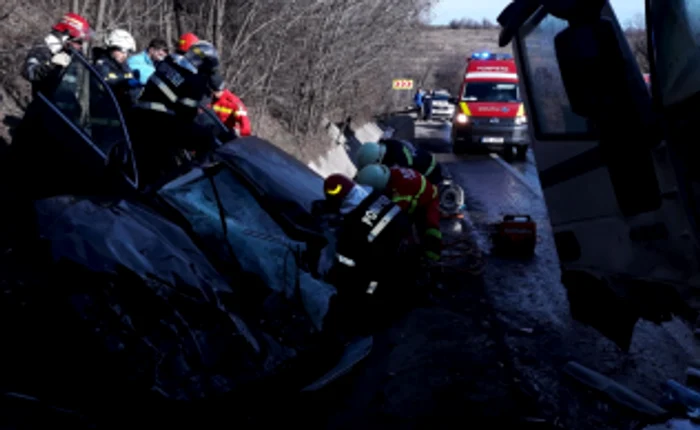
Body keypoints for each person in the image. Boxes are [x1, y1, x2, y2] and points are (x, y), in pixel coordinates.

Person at [130, 40, 223, 184]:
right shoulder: (194, 81)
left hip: (138, 115)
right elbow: (186, 115)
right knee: (206, 139)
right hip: (158, 123)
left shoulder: (169, 62)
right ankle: (191, 179)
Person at [355, 164, 442, 262]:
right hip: (419, 192)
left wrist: (372, 234)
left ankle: (433, 258)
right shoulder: (389, 174)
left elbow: (390, 218)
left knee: (430, 225)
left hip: (429, 200)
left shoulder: (401, 191)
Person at [22, 12, 91, 95]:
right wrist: (50, 64)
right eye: (79, 42)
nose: (80, 46)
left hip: (66, 104)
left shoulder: (73, 54)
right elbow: (29, 72)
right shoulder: (43, 48)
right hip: (44, 103)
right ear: (66, 37)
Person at [355, 139, 447, 186]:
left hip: (431, 175)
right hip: (427, 161)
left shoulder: (398, 162)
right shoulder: (389, 144)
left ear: (378, 160)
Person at [93, 29, 139, 106]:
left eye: (127, 52)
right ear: (112, 48)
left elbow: (129, 75)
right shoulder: (101, 63)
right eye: (122, 50)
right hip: (104, 108)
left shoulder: (122, 64)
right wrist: (125, 81)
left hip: (121, 107)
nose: (125, 55)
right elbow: (105, 81)